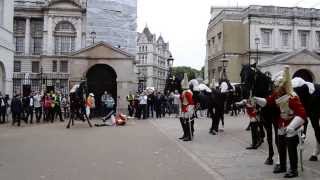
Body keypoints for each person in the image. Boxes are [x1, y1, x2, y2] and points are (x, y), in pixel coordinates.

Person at [253, 66, 306, 178]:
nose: (275, 89)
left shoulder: (292, 97)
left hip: (292, 125)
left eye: (277, 87)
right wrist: (257, 99)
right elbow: (268, 101)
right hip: (281, 124)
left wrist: (292, 126)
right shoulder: (277, 95)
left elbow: (302, 114)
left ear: (283, 87)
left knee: (291, 148)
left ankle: (293, 169)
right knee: (281, 146)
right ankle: (282, 165)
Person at [179, 73, 195, 141]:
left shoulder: (188, 92)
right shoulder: (184, 92)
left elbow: (191, 103)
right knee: (183, 122)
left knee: (188, 123)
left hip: (188, 109)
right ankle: (185, 134)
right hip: (183, 109)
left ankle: (189, 136)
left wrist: (189, 111)